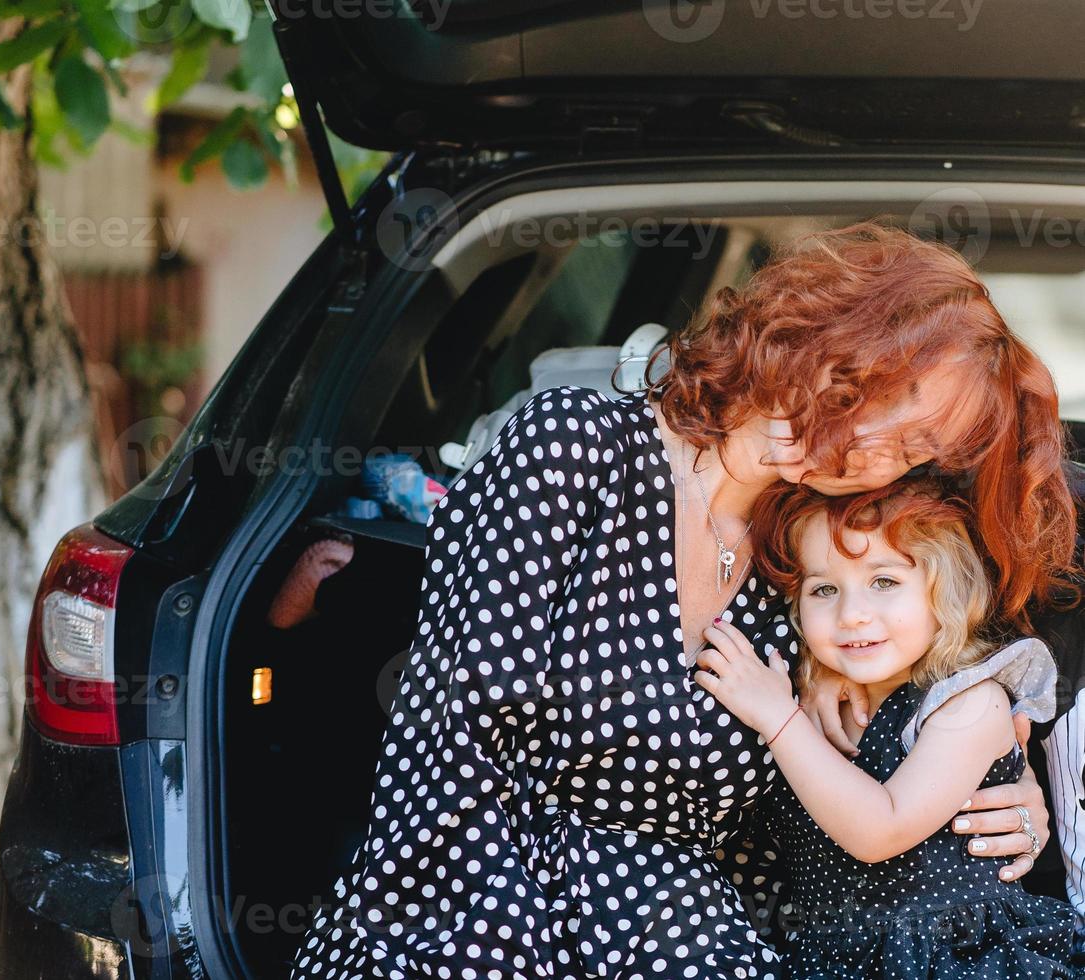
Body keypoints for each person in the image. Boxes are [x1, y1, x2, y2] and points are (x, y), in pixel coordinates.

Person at [288, 221, 1070, 979]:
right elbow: (445, 756)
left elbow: (819, 819)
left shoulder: (805, 573)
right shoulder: (571, 449)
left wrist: (1009, 792)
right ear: (823, 329)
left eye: (911, 450)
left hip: (678, 933)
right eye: (886, 395)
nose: (876, 450)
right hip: (462, 910)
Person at [692, 477, 1075, 977]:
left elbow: (881, 829)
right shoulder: (806, 697)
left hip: (951, 958)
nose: (852, 614)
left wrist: (776, 718)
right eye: (824, 589)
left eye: (885, 582)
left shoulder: (967, 704)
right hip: (826, 957)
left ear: (946, 591)